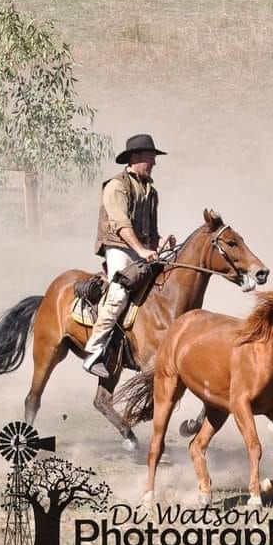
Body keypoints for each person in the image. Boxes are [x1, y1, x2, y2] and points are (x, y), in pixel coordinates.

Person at [83, 134, 173, 378]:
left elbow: (151, 231)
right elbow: (121, 225)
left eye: (154, 158)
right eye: (150, 157)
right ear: (134, 158)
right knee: (119, 292)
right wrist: (142, 250)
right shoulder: (116, 185)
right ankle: (94, 351)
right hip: (118, 247)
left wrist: (160, 243)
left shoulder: (151, 192)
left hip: (139, 249)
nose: (154, 162)